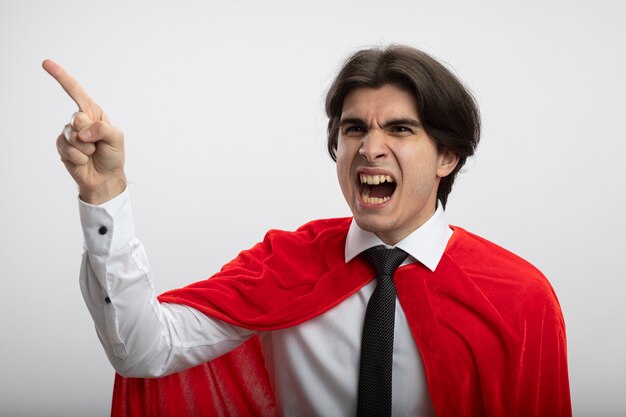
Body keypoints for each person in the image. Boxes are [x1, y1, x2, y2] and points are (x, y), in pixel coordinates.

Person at [45, 45, 572, 417]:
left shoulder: (518, 296)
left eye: (400, 129)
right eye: (354, 128)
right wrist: (104, 192)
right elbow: (143, 350)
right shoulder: (285, 263)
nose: (370, 147)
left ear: (447, 156)